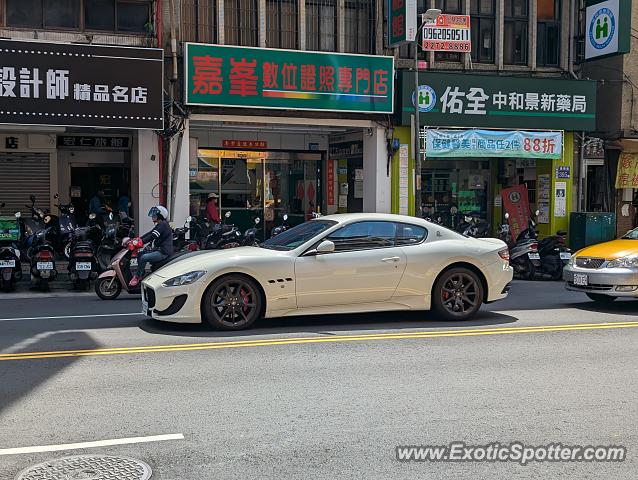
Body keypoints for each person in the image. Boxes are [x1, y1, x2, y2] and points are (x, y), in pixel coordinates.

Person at [128, 205, 173, 288]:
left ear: (160, 215)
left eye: (155, 214)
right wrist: (137, 240)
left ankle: (137, 277)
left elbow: (152, 236)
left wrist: (140, 242)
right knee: (140, 254)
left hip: (163, 252)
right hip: (157, 250)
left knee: (144, 257)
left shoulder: (163, 225)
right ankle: (141, 273)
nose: (153, 216)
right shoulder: (160, 225)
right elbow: (149, 233)